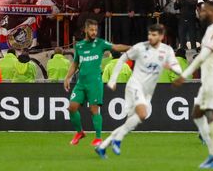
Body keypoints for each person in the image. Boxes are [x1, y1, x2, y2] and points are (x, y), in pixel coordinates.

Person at [95, 24, 181, 159]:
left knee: (130, 123)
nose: (150, 37)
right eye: (149, 34)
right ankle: (118, 140)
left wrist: (174, 69)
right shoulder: (140, 47)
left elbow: (177, 67)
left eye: (154, 35)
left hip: (148, 91)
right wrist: (113, 79)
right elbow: (123, 58)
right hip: (135, 86)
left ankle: (102, 146)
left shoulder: (167, 50)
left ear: (161, 37)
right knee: (142, 114)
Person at [172, 1, 213, 169]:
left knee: (212, 117)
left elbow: (203, 55)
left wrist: (184, 75)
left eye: (204, 10)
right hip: (208, 80)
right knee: (197, 114)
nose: (201, 12)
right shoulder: (210, 30)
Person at [64, 19, 129, 147]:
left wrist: (131, 48)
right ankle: (80, 132)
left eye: (95, 30)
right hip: (81, 83)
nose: (94, 32)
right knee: (72, 107)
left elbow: (116, 47)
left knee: (94, 110)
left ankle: (98, 138)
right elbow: (75, 63)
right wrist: (67, 78)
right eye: (91, 30)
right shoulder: (79, 45)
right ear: (85, 30)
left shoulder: (100, 43)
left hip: (95, 82)